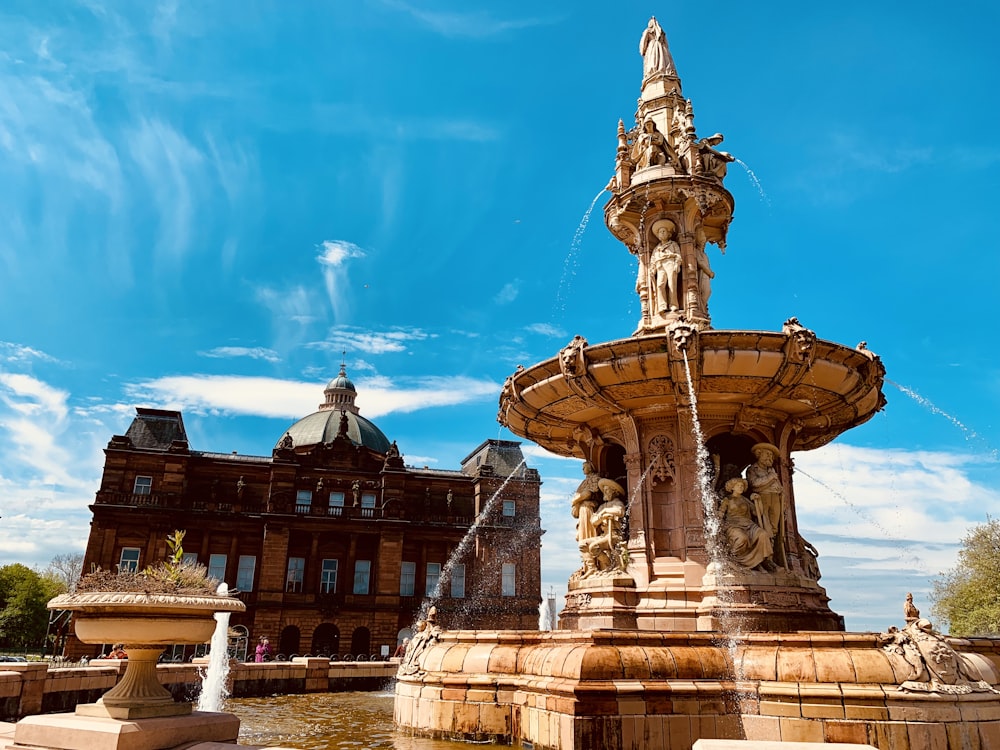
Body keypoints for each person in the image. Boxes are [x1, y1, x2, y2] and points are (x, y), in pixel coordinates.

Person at [718, 478, 774, 571]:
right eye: (738, 486)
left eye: (742, 486)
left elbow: (757, 513)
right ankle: (733, 559)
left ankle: (763, 561)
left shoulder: (746, 500)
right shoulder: (727, 499)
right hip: (733, 525)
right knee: (742, 538)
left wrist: (758, 500)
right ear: (732, 487)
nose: (741, 487)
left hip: (748, 524)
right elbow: (720, 513)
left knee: (763, 535)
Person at [745, 443, 785, 567]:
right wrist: (770, 478)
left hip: (775, 498)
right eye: (767, 454)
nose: (770, 458)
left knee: (774, 528)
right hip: (763, 498)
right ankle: (766, 557)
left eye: (771, 456)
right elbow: (755, 484)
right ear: (759, 454)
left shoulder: (771, 470)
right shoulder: (752, 469)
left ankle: (772, 555)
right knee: (764, 525)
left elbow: (779, 487)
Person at [650, 221, 682, 312]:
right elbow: (653, 259)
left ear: (668, 234)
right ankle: (662, 305)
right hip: (660, 266)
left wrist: (677, 264)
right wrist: (652, 269)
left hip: (670, 263)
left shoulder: (673, 244)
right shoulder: (657, 248)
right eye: (660, 232)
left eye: (664, 231)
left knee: (672, 284)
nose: (662, 233)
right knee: (660, 285)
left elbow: (679, 255)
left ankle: (673, 305)